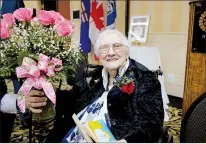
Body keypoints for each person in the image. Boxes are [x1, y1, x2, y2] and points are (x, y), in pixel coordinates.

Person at [25, 29, 164, 142]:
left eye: (116, 46)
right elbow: (74, 98)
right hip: (83, 131)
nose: (110, 52)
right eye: (104, 48)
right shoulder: (95, 75)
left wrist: (126, 141)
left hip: (116, 137)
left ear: (127, 50)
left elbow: (152, 122)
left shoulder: (145, 78)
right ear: (98, 55)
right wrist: (52, 91)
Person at [0, 0, 25, 142]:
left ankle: (23, 114)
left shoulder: (13, 1)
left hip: (12, 49)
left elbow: (21, 21)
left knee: (18, 81)